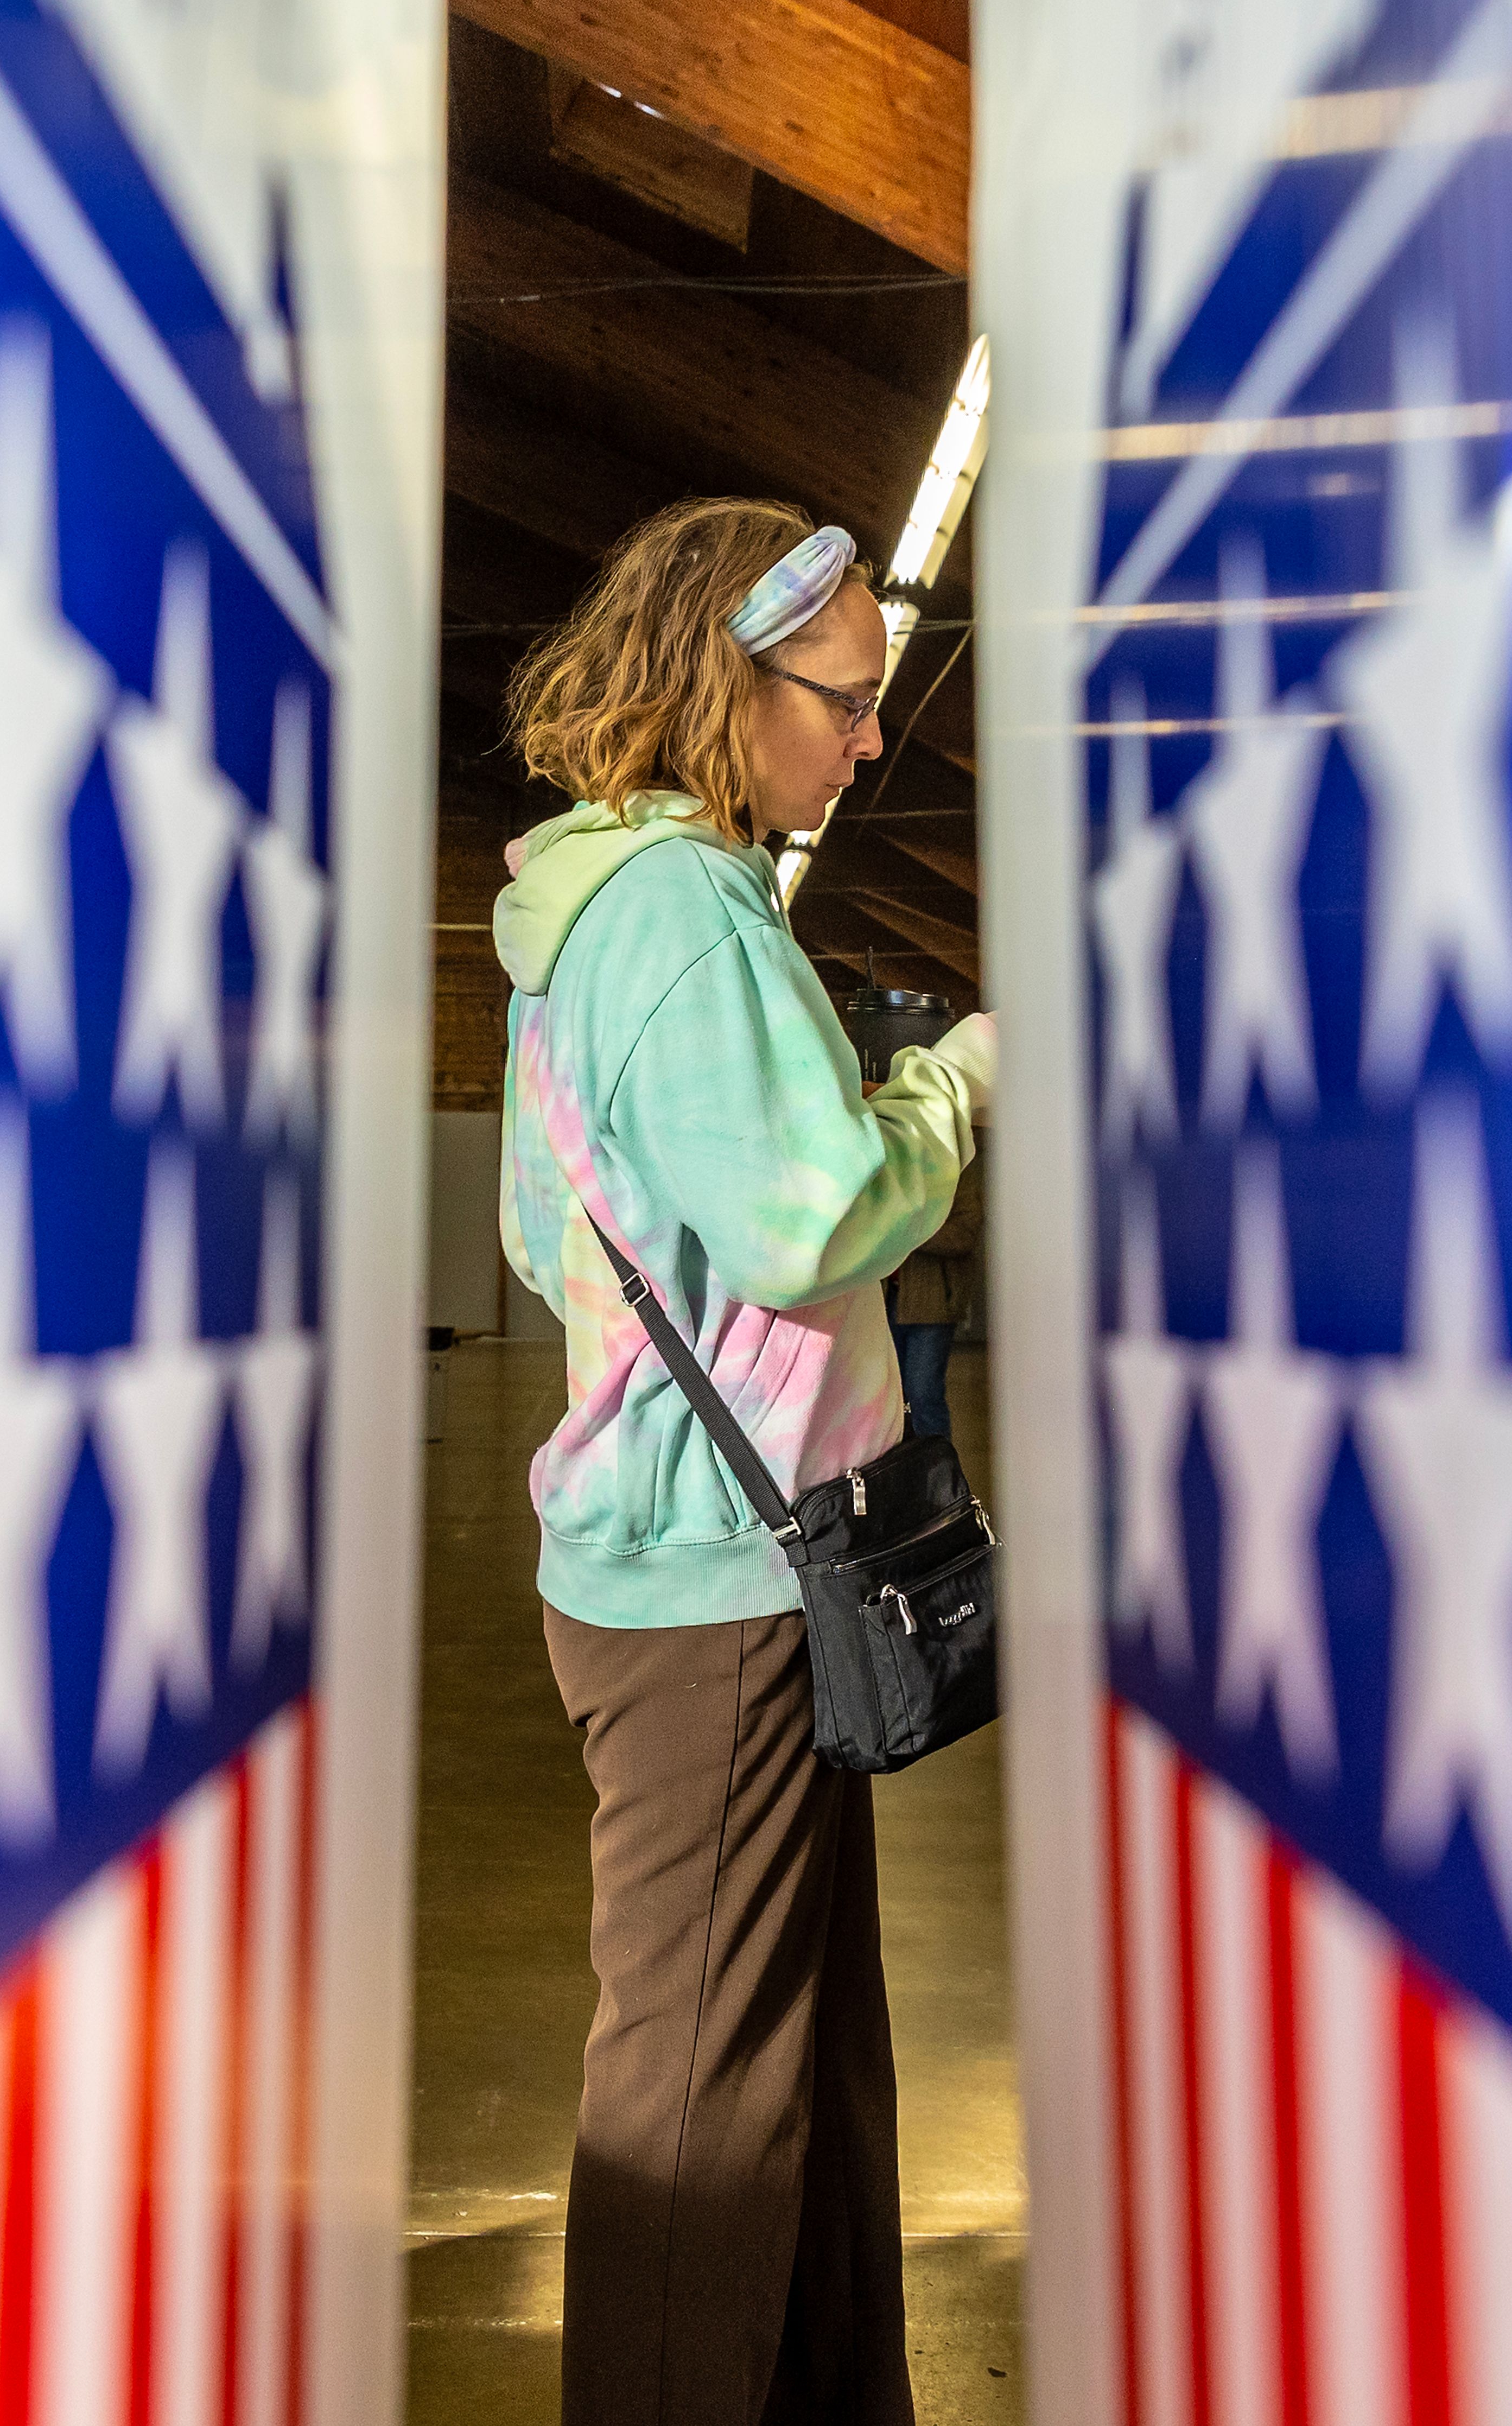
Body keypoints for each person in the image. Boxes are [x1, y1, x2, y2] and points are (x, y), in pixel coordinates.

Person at [494, 498, 994, 2426]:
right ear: (729, 682)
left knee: (801, 2053)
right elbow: (807, 1214)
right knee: (704, 2086)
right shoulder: (681, 911)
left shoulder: (590, 906)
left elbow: (566, 1234)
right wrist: (955, 1082)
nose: (867, 744)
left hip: (720, 1563)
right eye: (845, 702)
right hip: (715, 1585)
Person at [888, 1146, 982, 1440]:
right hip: (886, 1299)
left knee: (923, 1394)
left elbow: (965, 1234)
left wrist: (911, 1233)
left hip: (933, 1303)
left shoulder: (958, 1168)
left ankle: (938, 1476)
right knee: (890, 1399)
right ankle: (905, 1470)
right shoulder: (894, 1167)